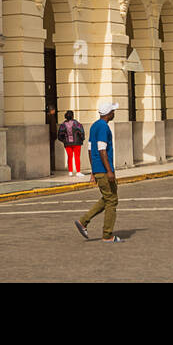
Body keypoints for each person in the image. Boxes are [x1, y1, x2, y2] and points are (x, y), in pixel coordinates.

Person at [74, 103, 121, 242]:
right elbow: (101, 150)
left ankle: (84, 221)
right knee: (112, 200)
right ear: (108, 113)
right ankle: (107, 235)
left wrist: (93, 170)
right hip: (104, 169)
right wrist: (109, 171)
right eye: (113, 111)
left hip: (98, 169)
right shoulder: (103, 127)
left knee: (108, 198)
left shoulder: (94, 125)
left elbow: (90, 149)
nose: (114, 112)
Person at [58, 109, 86, 176]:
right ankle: (78, 171)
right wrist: (82, 139)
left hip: (67, 143)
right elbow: (81, 132)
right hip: (77, 143)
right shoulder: (76, 124)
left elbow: (59, 135)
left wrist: (64, 141)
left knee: (69, 157)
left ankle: (70, 171)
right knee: (77, 157)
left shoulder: (63, 124)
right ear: (73, 116)